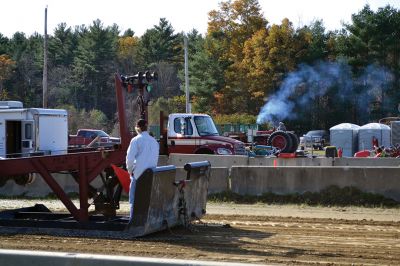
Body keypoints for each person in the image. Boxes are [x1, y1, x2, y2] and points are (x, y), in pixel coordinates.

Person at [126, 119, 159, 225]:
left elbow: (130, 159)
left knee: (133, 199)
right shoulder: (154, 141)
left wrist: (130, 170)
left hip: (138, 174)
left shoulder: (136, 140)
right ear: (147, 127)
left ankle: (133, 221)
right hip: (151, 174)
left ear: (137, 128)